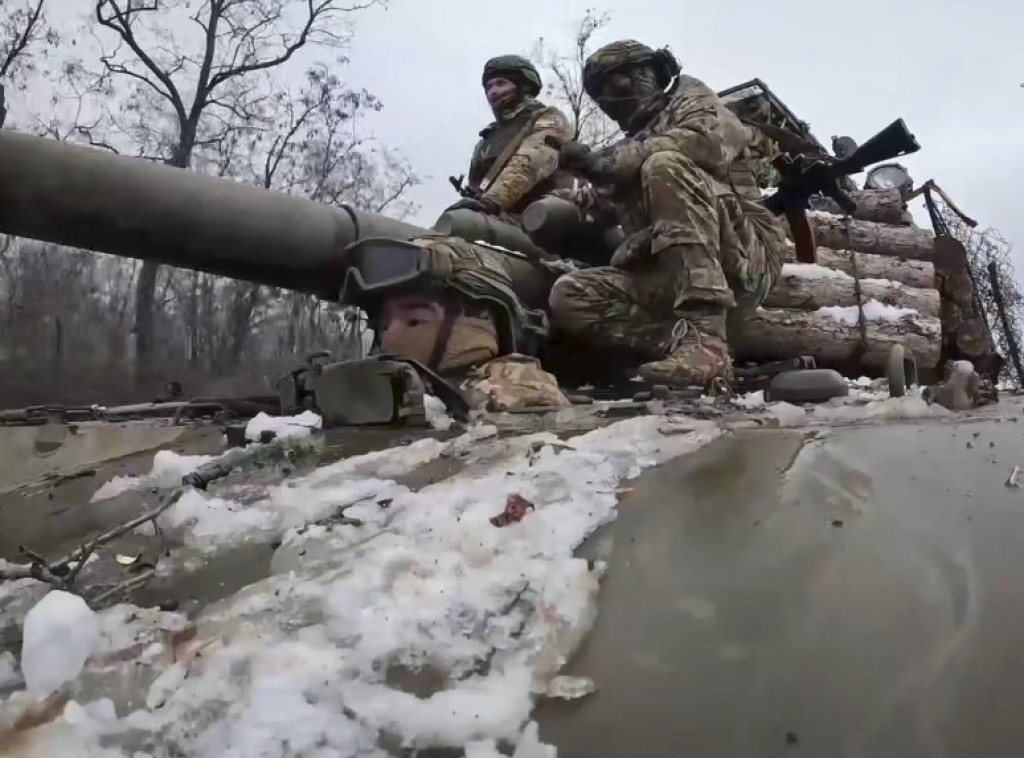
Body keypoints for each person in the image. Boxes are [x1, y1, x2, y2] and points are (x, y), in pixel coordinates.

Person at [547, 40, 792, 389]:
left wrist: (614, 163)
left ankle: (706, 340)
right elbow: (599, 204)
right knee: (569, 293)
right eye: (599, 90)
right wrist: (576, 181)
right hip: (669, 278)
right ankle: (683, 342)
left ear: (649, 73)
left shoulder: (692, 98)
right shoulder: (631, 144)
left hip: (744, 260)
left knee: (664, 165)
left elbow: (707, 142)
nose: (610, 96)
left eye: (617, 80)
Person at [337, 233, 573, 412]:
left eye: (414, 320)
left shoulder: (511, 392)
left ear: (476, 325)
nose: (389, 338)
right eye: (383, 325)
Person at [449, 55, 575, 220]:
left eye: (501, 83)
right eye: (488, 87)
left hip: (542, 221)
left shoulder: (548, 119)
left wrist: (492, 202)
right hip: (495, 218)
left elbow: (532, 160)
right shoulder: (487, 138)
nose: (493, 92)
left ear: (523, 87)